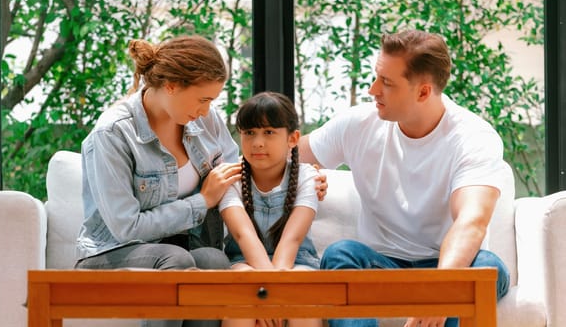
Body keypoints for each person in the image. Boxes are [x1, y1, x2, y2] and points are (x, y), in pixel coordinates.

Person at [298, 29, 511, 327]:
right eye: (376, 77)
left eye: (386, 83)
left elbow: (471, 221)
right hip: (383, 264)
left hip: (447, 264)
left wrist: (442, 289)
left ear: (423, 91)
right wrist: (304, 176)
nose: (373, 90)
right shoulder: (358, 124)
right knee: (341, 253)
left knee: (487, 268)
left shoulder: (473, 137)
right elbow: (283, 158)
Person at [75, 35, 243, 327]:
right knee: (176, 261)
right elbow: (126, 227)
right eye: (203, 99)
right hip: (112, 251)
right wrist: (201, 202)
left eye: (212, 101)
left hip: (180, 248)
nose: (206, 110)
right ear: (171, 85)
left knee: (214, 261)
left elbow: (233, 173)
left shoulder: (204, 119)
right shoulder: (112, 134)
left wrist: (300, 177)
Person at [219, 92, 322, 327]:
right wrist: (265, 292)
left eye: (269, 132)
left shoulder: (307, 177)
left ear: (293, 138)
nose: (257, 142)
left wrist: (273, 293)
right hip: (243, 261)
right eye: (249, 133)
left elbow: (293, 239)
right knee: (244, 288)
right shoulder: (231, 178)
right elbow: (243, 235)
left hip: (297, 262)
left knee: (299, 287)